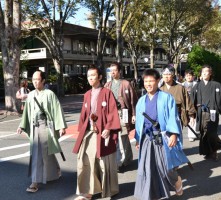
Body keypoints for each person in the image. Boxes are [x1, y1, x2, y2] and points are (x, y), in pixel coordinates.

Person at [134, 68, 189, 200]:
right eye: (146, 81)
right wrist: (137, 138)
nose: (148, 84)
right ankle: (151, 194)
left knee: (166, 166)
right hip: (147, 137)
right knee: (147, 167)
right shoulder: (141, 100)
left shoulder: (166, 98)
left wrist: (174, 134)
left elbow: (173, 117)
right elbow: (139, 122)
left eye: (151, 81)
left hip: (162, 135)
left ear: (158, 81)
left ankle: (177, 181)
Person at [72, 66, 121, 200]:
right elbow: (83, 115)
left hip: (103, 134)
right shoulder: (87, 94)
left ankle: (108, 190)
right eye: (88, 76)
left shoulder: (107, 93)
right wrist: (82, 131)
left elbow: (112, 112)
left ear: (100, 77)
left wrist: (108, 128)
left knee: (103, 163)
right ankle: (88, 191)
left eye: (93, 75)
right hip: (89, 132)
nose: (90, 78)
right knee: (85, 161)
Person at [17, 70, 67, 193]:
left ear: (43, 80)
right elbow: (26, 113)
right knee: (38, 153)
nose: (34, 82)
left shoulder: (49, 94)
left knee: (42, 152)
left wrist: (61, 126)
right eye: (33, 79)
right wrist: (22, 126)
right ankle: (51, 172)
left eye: (37, 79)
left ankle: (35, 182)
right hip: (34, 128)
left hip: (45, 126)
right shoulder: (31, 95)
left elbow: (57, 109)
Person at [190, 65, 221, 161]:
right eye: (203, 72)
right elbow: (192, 100)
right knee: (203, 133)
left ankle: (214, 151)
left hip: (212, 112)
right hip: (201, 113)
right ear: (201, 73)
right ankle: (207, 152)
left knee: (211, 133)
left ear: (210, 73)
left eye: (207, 71)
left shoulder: (216, 85)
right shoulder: (197, 86)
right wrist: (192, 115)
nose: (205, 73)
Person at [104, 62, 138, 170]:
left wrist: (134, 114)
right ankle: (118, 160)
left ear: (119, 71)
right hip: (111, 113)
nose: (112, 72)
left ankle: (126, 158)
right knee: (113, 136)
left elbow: (133, 100)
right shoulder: (107, 85)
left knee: (123, 134)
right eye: (111, 70)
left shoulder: (126, 84)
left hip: (123, 111)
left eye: (114, 70)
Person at [159, 66, 196, 140]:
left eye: (168, 74)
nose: (166, 76)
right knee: (164, 138)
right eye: (164, 74)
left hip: (177, 116)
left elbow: (187, 101)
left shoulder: (180, 88)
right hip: (162, 117)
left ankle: (177, 151)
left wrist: (191, 115)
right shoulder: (159, 89)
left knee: (176, 137)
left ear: (173, 75)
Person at [182, 69, 199, 141]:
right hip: (185, 104)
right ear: (185, 77)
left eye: (190, 75)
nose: (189, 77)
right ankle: (191, 134)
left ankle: (192, 134)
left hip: (194, 103)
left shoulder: (196, 84)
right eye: (187, 76)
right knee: (188, 119)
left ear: (193, 77)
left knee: (194, 118)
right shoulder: (182, 85)